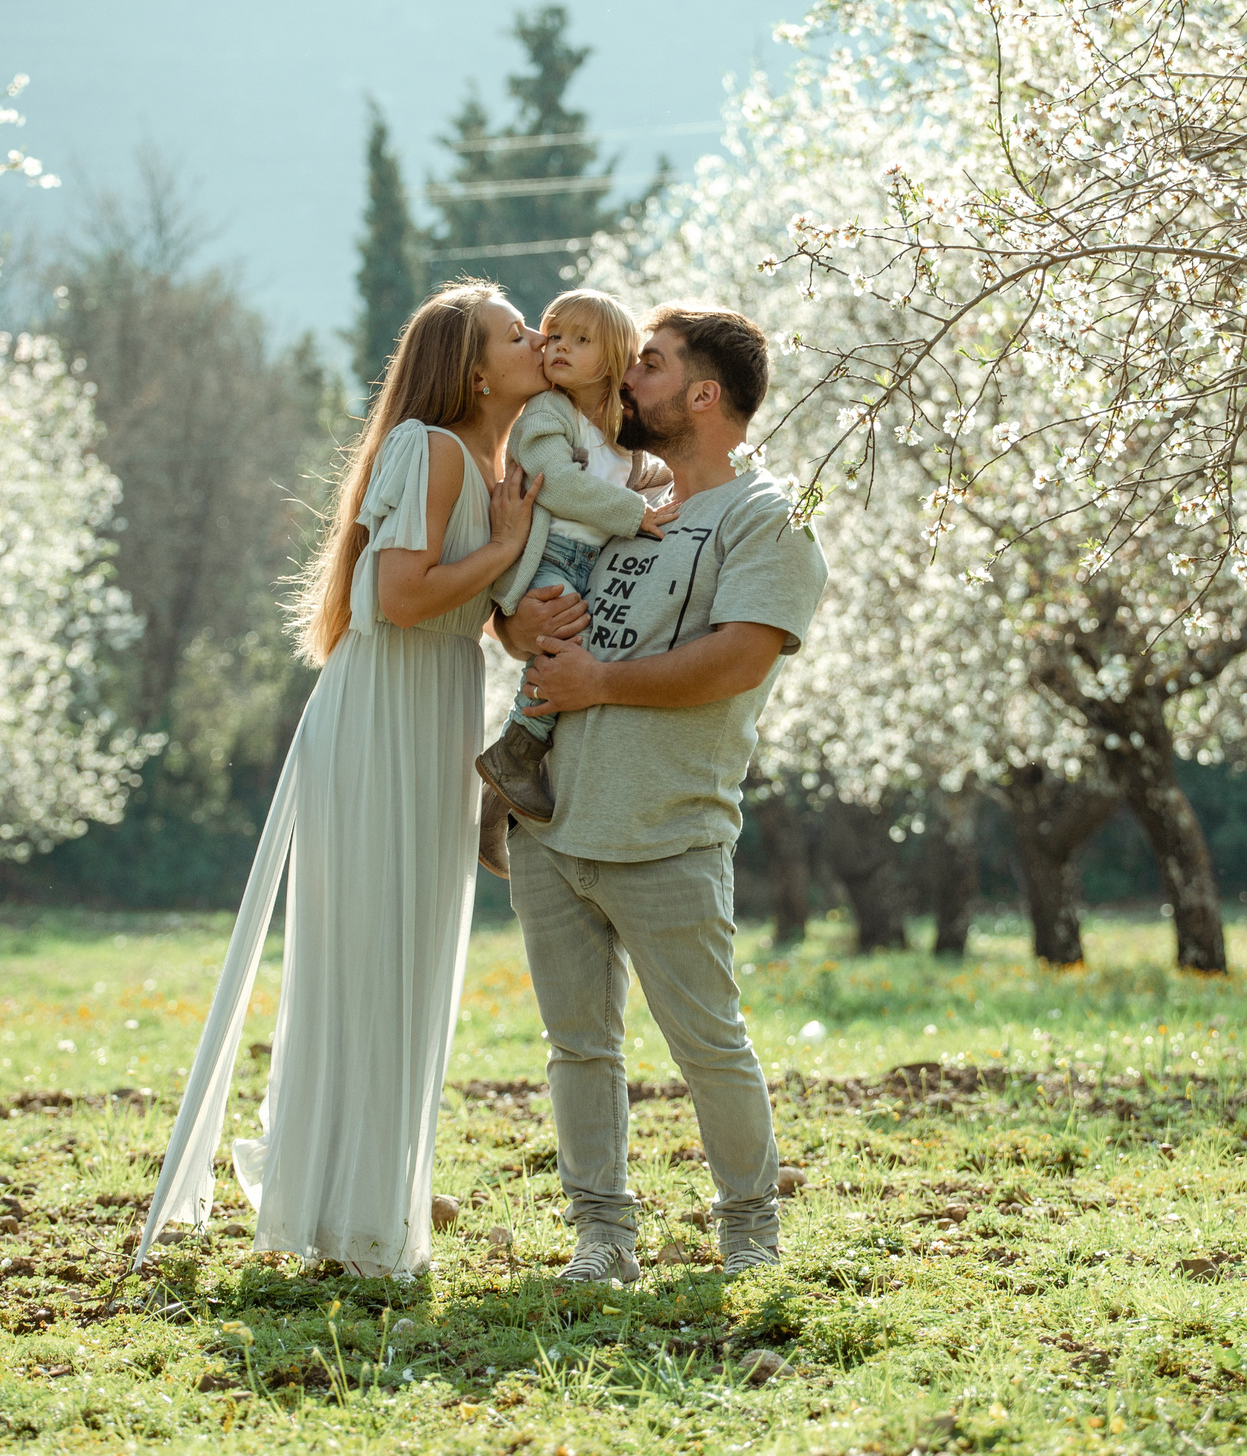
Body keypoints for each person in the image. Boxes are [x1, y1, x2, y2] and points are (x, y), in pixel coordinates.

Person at [132, 279, 547, 1278]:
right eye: (516, 333)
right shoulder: (432, 447)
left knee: (406, 962)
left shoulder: (494, 460)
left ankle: (365, 1209)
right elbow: (401, 599)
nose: (538, 342)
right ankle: (345, 1215)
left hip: (435, 710)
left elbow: (481, 614)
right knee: (367, 959)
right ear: (475, 369)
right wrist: (500, 546)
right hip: (382, 719)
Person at [498, 303, 830, 1286]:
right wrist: (522, 629)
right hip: (550, 822)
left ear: (703, 394)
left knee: (708, 1047)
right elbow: (537, 619)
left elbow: (737, 659)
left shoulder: (769, 518)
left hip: (668, 827)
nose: (623, 382)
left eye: (646, 365)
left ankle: (747, 1234)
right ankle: (602, 1237)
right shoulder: (621, 495)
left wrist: (600, 684)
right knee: (578, 1050)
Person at [476, 289, 677, 835]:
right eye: (555, 335)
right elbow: (556, 484)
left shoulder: (616, 426)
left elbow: (643, 475)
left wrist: (685, 480)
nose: (558, 348)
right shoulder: (547, 413)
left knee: (585, 645)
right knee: (567, 643)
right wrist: (634, 513)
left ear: (613, 357)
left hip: (592, 560)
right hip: (552, 557)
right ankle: (515, 752)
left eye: (580, 340)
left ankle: (502, 807)